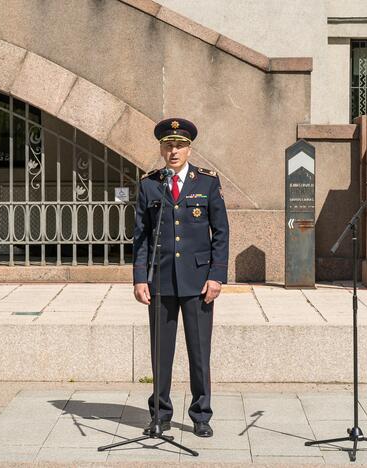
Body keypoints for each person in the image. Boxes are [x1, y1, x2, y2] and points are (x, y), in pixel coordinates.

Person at [132, 117, 229, 438]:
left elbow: (221, 233)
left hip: (199, 281)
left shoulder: (207, 182)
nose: (173, 151)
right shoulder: (150, 184)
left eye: (179, 145)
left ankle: (201, 414)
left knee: (199, 352)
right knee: (161, 353)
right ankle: (160, 414)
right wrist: (139, 278)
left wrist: (216, 277)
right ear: (161, 148)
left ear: (189, 148)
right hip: (161, 281)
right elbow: (142, 236)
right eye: (168, 145)